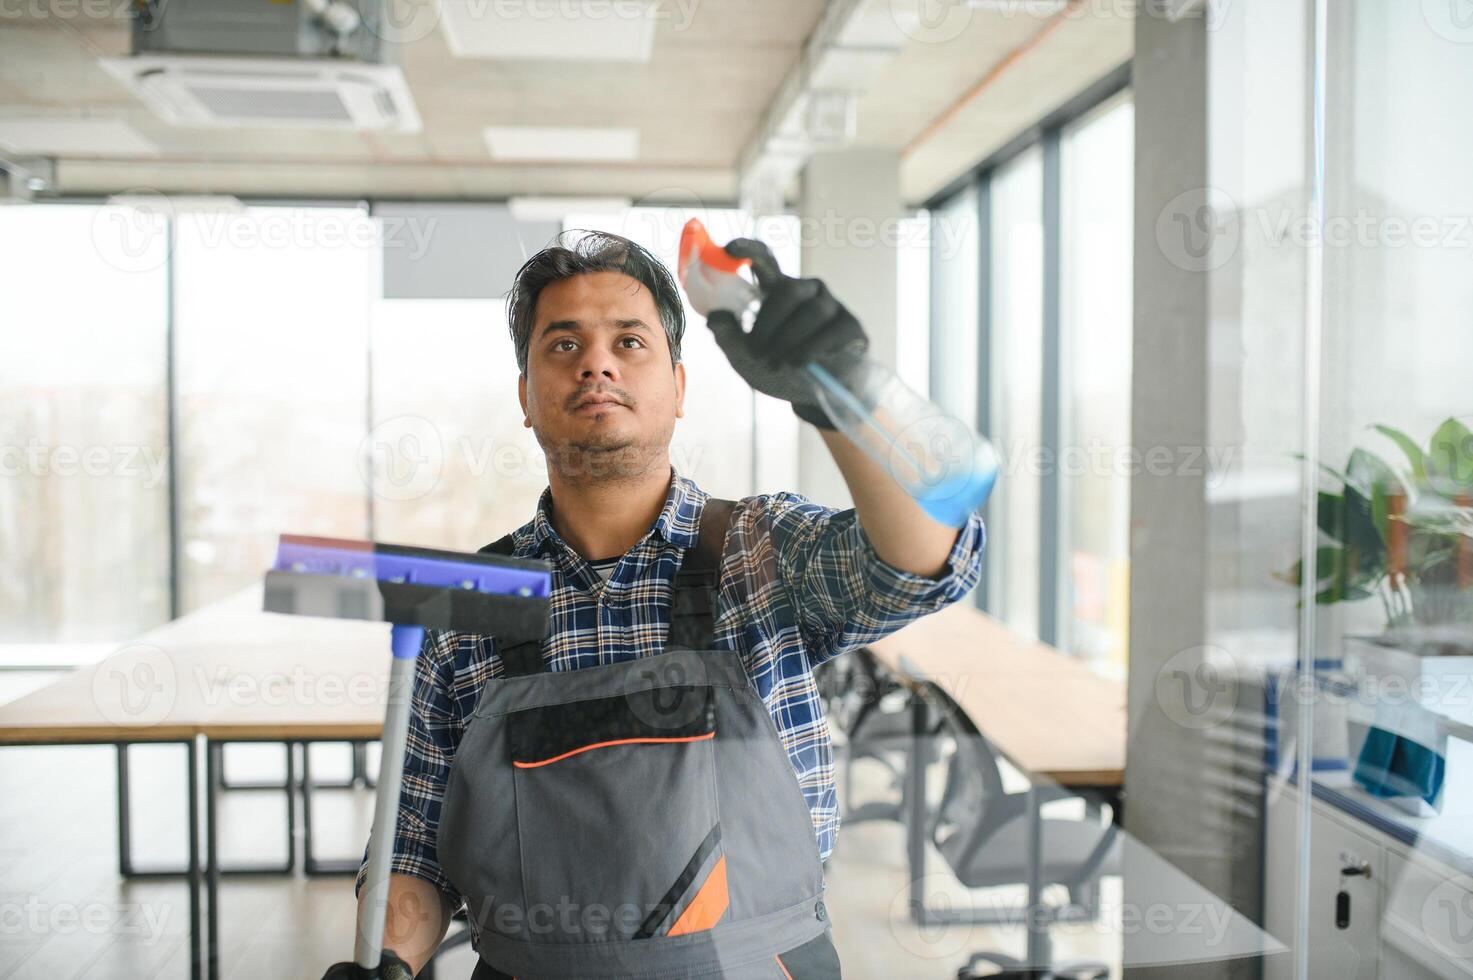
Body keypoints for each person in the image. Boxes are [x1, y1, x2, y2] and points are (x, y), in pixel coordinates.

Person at [323, 229, 985, 979]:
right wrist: (385, 961)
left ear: (677, 387)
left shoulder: (760, 552)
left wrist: (839, 400)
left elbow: (919, 567)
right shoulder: (467, 606)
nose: (596, 363)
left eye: (628, 343)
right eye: (562, 345)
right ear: (525, 396)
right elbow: (414, 851)